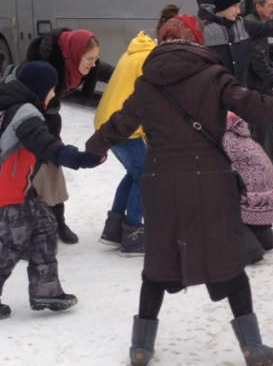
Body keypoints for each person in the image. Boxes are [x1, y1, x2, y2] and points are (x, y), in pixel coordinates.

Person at [85, 14, 273, 366]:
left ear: (163, 40)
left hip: (160, 180)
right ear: (196, 40)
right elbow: (256, 106)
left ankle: (140, 347)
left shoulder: (147, 82)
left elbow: (121, 123)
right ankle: (252, 346)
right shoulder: (214, 75)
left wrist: (93, 149)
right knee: (227, 256)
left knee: (158, 259)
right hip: (210, 180)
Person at [0, 62, 102, 320]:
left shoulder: (12, 103)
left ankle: (46, 291)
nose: (54, 93)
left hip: (20, 188)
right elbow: (44, 144)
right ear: (41, 87)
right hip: (7, 192)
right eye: (52, 88)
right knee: (10, 244)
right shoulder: (25, 112)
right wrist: (79, 158)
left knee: (45, 226)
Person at [8, 28, 114, 243]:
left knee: (53, 169)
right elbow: (30, 123)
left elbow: (110, 72)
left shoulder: (81, 60)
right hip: (24, 126)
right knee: (30, 177)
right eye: (89, 59)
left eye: (96, 58)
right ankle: (25, 232)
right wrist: (77, 157)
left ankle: (58, 222)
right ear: (74, 54)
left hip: (47, 121)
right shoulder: (41, 68)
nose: (93, 64)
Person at [95, 32, 156, 256]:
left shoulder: (133, 53)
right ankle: (133, 235)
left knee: (134, 173)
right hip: (123, 125)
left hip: (108, 121)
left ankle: (113, 231)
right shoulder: (150, 59)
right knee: (145, 176)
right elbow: (149, 100)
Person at [223, 112, 273, 263]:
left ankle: (250, 250)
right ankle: (265, 238)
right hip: (268, 186)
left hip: (253, 190)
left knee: (221, 207)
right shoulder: (239, 134)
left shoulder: (224, 139)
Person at [245, 0, 273, 174]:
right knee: (263, 123)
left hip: (254, 81)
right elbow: (257, 60)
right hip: (256, 83)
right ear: (258, 6)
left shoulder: (256, 23)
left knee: (262, 123)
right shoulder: (255, 26)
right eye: (270, 5)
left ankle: (269, 160)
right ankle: (266, 164)